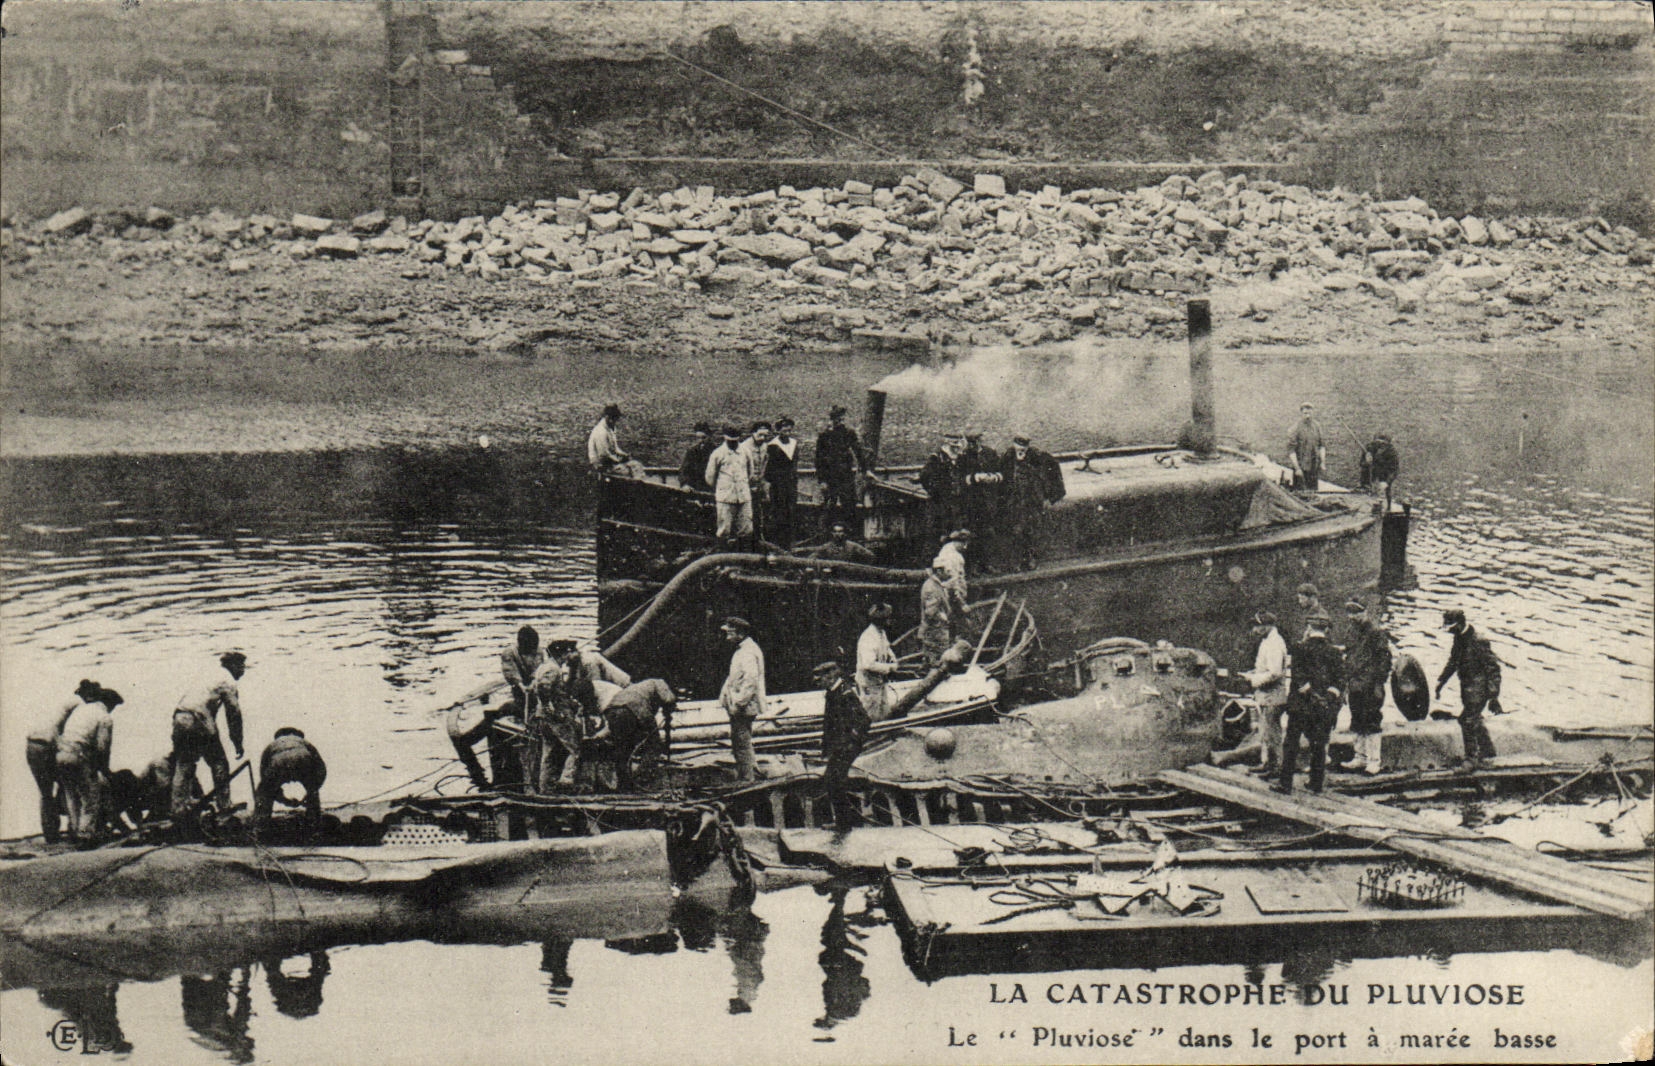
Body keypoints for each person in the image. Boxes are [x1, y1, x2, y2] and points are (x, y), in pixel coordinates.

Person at [171, 651, 247, 818]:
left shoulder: (209, 675)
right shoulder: (227, 681)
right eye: (241, 666)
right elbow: (234, 714)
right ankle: (224, 805)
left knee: (184, 764)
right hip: (198, 719)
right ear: (232, 665)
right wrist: (237, 742)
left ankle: (178, 808)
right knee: (219, 762)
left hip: (179, 717)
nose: (243, 671)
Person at [1275, 614, 1343, 795]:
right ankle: (1316, 783)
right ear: (1326, 631)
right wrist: (1326, 697)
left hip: (1301, 707)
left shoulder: (1299, 649)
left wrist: (1311, 693)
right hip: (1323, 708)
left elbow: (1299, 680)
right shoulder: (1335, 653)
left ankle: (1285, 783)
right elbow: (1339, 683)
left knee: (1291, 743)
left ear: (1309, 629)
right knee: (1319, 746)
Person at [27, 678, 98, 843]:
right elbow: (72, 734)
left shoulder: (65, 700)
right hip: (50, 746)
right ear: (89, 694)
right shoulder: (80, 707)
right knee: (69, 786)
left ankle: (50, 834)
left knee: (45, 793)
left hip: (33, 743)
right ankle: (74, 828)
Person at [1435, 608, 1500, 768]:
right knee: (1475, 718)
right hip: (1468, 689)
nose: (1449, 632)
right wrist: (1441, 681)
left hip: (1479, 690)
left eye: (1450, 628)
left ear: (1459, 625)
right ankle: (1488, 750)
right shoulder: (1459, 640)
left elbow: (1493, 670)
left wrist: (1493, 696)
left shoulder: (1478, 641)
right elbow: (1453, 662)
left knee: (1467, 720)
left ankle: (1471, 758)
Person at [57, 686, 121, 843]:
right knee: (90, 798)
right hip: (79, 755)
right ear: (110, 704)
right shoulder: (105, 717)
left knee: (71, 795)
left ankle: (74, 829)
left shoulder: (81, 709)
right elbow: (102, 748)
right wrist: (104, 770)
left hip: (61, 754)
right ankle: (85, 835)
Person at [1340, 597, 1392, 775]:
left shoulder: (1376, 632)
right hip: (1355, 684)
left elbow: (1384, 661)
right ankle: (1360, 756)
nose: (1353, 616)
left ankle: (1373, 761)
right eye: (1350, 612)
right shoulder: (1351, 631)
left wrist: (1378, 683)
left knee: (1371, 721)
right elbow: (1349, 655)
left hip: (1370, 685)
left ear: (1365, 612)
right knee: (1357, 719)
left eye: (1357, 612)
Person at [814, 661, 869, 830]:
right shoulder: (833, 692)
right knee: (833, 781)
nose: (817, 682)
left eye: (820, 678)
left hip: (846, 747)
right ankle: (846, 820)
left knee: (834, 781)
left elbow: (863, 720)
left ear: (830, 677)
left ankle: (845, 823)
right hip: (840, 747)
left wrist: (851, 741)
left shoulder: (845, 693)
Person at [999, 434, 1066, 570]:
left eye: (1024, 447)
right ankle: (1016, 561)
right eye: (1018, 446)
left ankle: (1030, 558)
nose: (1021, 450)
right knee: (1014, 531)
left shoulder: (1038, 457)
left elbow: (1054, 472)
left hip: (1031, 502)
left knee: (1031, 531)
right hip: (1014, 501)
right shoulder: (1007, 457)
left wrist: (1050, 497)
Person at [602, 678, 677, 790]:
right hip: (635, 708)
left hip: (612, 709)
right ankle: (643, 779)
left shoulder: (641, 685)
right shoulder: (661, 682)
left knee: (623, 748)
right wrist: (669, 713)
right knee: (654, 744)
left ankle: (624, 784)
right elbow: (669, 700)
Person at [718, 616, 767, 782]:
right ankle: (752, 772)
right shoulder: (744, 650)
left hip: (743, 707)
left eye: (729, 632)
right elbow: (735, 677)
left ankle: (747, 779)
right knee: (742, 741)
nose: (727, 636)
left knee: (741, 743)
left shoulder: (747, 652)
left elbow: (750, 682)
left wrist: (738, 703)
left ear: (739, 633)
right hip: (741, 706)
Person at [1242, 611, 1290, 777]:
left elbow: (1274, 673)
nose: (1255, 629)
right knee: (1266, 731)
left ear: (1267, 626)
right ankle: (1267, 763)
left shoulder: (1275, 643)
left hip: (1273, 695)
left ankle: (1275, 767)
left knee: (1272, 732)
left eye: (1258, 626)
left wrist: (1254, 679)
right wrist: (1253, 672)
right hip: (1266, 695)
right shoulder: (1267, 641)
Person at [254, 727, 327, 827]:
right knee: (312, 787)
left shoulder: (271, 745)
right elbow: (321, 768)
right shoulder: (304, 742)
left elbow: (265, 780)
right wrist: (312, 792)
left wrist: (284, 801)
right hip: (303, 758)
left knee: (264, 791)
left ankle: (261, 822)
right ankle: (314, 821)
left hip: (278, 761)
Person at [815, 404, 869, 530]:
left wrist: (866, 470)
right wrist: (822, 480)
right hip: (830, 477)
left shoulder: (849, 433)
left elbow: (858, 451)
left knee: (849, 505)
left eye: (843, 419)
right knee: (829, 506)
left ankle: (850, 532)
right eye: (838, 419)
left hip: (845, 476)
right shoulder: (824, 435)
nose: (841, 422)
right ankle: (828, 533)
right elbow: (818, 460)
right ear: (832, 420)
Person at [955, 431, 1003, 562]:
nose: (974, 444)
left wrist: (994, 477)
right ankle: (974, 564)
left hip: (989, 500)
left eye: (976, 441)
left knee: (989, 532)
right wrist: (974, 478)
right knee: (973, 533)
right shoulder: (963, 457)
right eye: (971, 442)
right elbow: (958, 479)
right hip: (972, 502)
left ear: (980, 440)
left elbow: (1001, 472)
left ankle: (988, 563)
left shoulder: (990, 453)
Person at [705, 425, 754, 546]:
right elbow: (710, 476)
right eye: (730, 441)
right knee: (724, 528)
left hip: (743, 495)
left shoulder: (745, 451)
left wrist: (744, 484)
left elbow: (750, 472)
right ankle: (722, 555)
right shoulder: (718, 453)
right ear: (725, 438)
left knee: (746, 527)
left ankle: (743, 556)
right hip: (725, 496)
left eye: (735, 441)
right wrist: (721, 489)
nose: (733, 443)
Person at [855, 602, 899, 722]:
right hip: (868, 684)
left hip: (879, 682)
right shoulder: (868, 637)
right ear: (881, 619)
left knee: (884, 711)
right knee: (871, 713)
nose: (890, 620)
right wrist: (889, 668)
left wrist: (893, 660)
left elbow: (887, 648)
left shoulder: (881, 633)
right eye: (888, 618)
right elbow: (868, 664)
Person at [918, 432, 963, 543]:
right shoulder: (936, 458)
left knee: (956, 534)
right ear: (947, 443)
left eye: (958, 444)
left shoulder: (960, 459)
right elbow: (924, 477)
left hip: (956, 503)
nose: (957, 447)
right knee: (937, 535)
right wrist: (936, 492)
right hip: (939, 504)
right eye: (954, 444)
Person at [764, 417, 801, 548]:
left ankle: (790, 541)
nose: (787, 433)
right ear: (778, 431)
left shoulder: (794, 443)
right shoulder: (772, 446)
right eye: (784, 430)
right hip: (778, 484)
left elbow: (794, 463)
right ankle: (778, 542)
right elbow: (769, 469)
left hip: (791, 483)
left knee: (791, 510)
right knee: (779, 511)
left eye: (789, 430)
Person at [587, 403, 645, 478]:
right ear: (607, 417)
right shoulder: (601, 431)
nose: (614, 421)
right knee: (630, 471)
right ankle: (637, 486)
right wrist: (618, 461)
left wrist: (624, 455)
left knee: (637, 465)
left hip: (610, 462)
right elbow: (603, 455)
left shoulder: (609, 429)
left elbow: (615, 448)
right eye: (613, 418)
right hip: (601, 465)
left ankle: (640, 483)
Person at [738, 421, 773, 539]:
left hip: (759, 484)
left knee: (759, 513)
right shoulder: (743, 447)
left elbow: (764, 465)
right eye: (760, 435)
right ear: (753, 433)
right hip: (746, 485)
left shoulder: (765, 447)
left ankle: (759, 537)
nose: (762, 438)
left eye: (765, 436)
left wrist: (764, 486)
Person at [918, 561, 956, 668]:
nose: (949, 574)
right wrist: (943, 618)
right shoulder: (932, 587)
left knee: (935, 662)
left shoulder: (935, 584)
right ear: (939, 571)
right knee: (938, 663)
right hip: (935, 632)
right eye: (947, 571)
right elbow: (930, 612)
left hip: (937, 631)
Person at [1288, 402, 1327, 492]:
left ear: (1313, 413)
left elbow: (1322, 446)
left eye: (1310, 413)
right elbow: (1291, 451)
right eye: (1305, 413)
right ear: (1301, 414)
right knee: (1300, 493)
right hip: (1301, 468)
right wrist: (1297, 468)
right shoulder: (1295, 428)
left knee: (1314, 492)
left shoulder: (1317, 426)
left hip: (1314, 467)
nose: (1308, 416)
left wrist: (1322, 462)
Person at [934, 529, 972, 618]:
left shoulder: (947, 550)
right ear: (958, 542)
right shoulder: (953, 556)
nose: (965, 547)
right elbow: (953, 581)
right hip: (950, 597)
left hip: (948, 594)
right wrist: (962, 603)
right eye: (964, 544)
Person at [807, 521, 876, 563]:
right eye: (835, 532)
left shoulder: (852, 546)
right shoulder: (826, 547)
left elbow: (870, 556)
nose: (837, 534)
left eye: (840, 531)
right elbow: (812, 558)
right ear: (832, 533)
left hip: (849, 577)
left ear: (844, 533)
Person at [1362, 433, 1400, 507]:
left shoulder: (1392, 453)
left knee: (1384, 489)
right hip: (1372, 473)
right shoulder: (1369, 448)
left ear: (1387, 444)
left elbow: (1394, 470)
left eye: (1383, 444)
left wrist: (1387, 482)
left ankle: (1387, 506)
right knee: (1369, 489)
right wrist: (1366, 461)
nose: (1380, 445)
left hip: (1384, 473)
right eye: (1378, 442)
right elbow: (1362, 464)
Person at [680, 421, 719, 491]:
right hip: (694, 488)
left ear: (709, 437)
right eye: (698, 438)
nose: (700, 441)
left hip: (711, 489)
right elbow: (684, 470)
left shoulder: (716, 451)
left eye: (703, 438)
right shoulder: (691, 451)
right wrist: (685, 484)